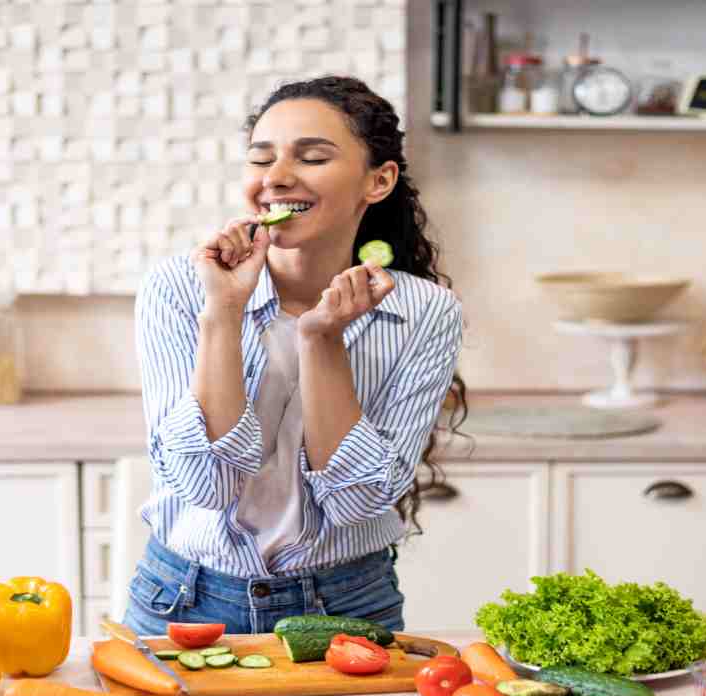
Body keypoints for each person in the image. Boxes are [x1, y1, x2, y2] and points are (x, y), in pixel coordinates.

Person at [126, 76, 465, 636]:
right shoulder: (180, 288)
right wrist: (223, 313)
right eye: (262, 158)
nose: (276, 178)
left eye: (311, 157)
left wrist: (321, 340)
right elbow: (203, 486)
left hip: (347, 606)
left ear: (378, 181)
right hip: (181, 602)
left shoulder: (427, 312)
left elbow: (359, 502)